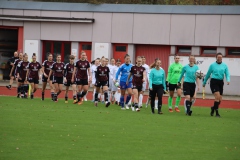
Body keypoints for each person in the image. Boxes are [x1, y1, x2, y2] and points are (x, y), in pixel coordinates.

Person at [203, 52, 230, 117]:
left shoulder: (224, 65)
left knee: (220, 99)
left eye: (221, 57)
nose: (219, 58)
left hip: (220, 82)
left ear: (222, 58)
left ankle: (213, 108)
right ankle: (217, 113)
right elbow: (208, 74)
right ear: (216, 58)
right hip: (214, 81)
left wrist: (228, 80)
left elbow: (227, 73)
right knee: (217, 96)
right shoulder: (212, 65)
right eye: (218, 57)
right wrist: (204, 82)